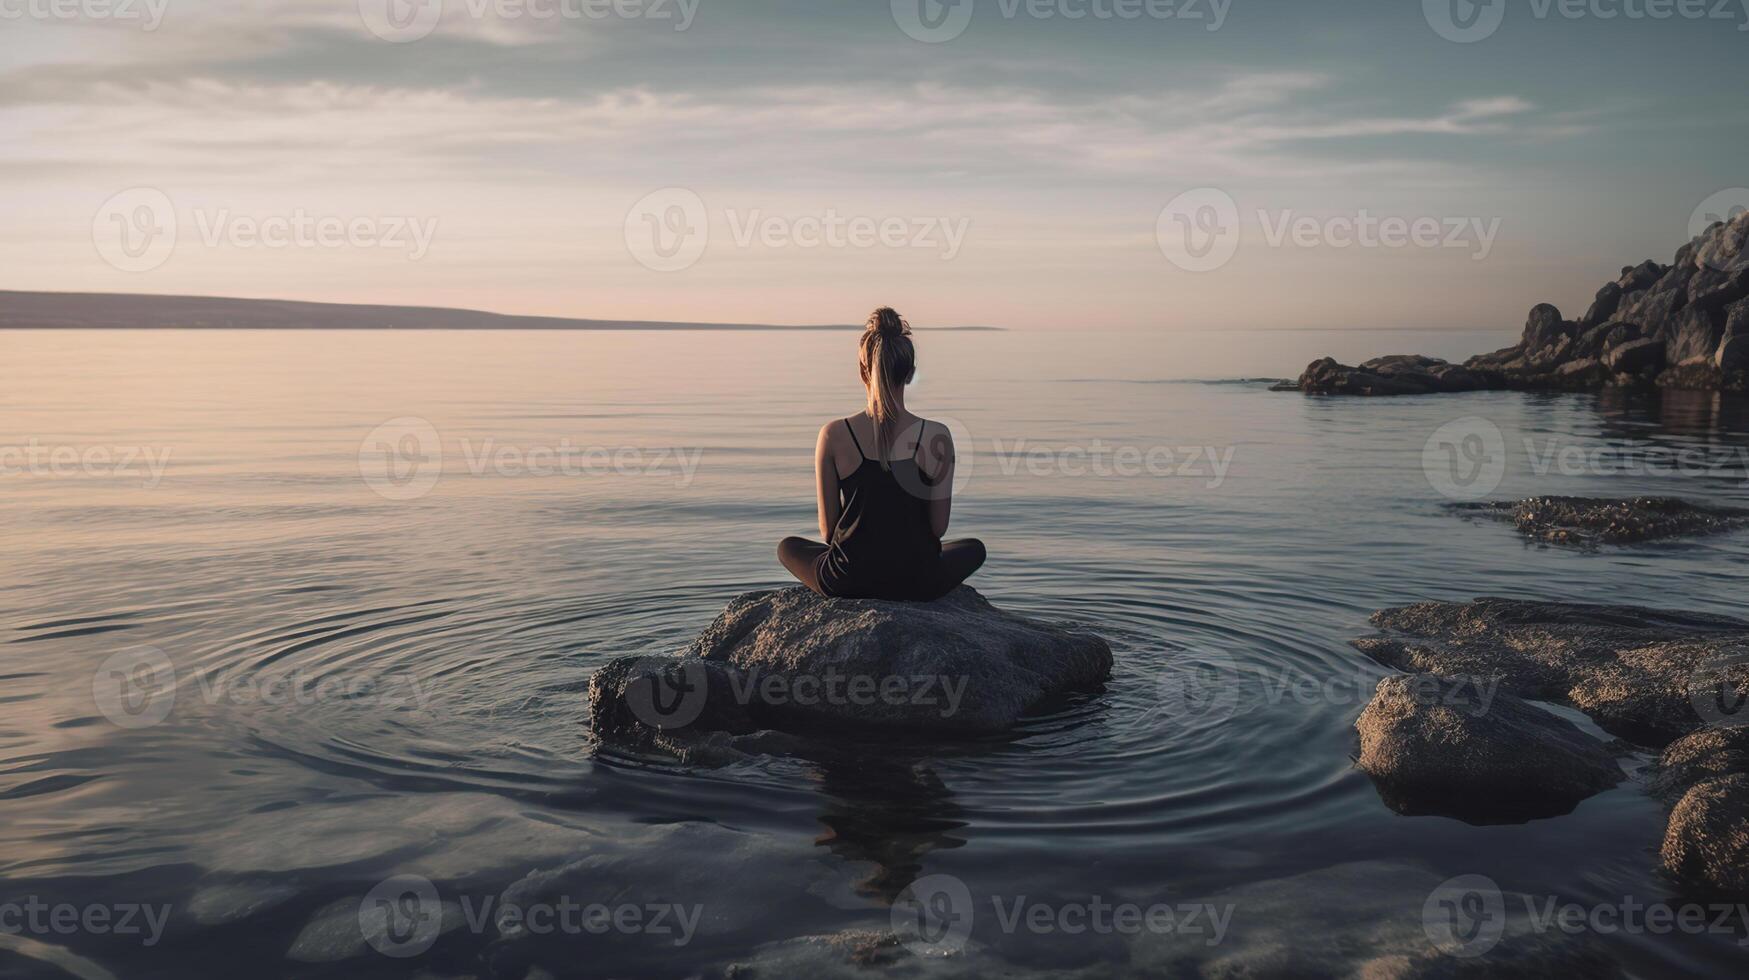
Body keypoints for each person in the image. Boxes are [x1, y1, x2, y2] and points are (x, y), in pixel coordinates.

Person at [778, 307, 985, 600]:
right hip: (918, 582)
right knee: (973, 548)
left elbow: (828, 533)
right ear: (911, 374)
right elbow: (937, 529)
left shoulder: (833, 434)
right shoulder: (937, 435)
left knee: (787, 546)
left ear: (863, 371)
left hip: (848, 580)